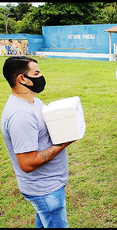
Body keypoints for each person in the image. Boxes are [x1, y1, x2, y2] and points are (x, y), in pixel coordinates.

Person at [1, 56, 75, 228]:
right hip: (44, 190)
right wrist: (62, 144)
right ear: (21, 78)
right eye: (36, 73)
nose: (40, 77)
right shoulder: (21, 115)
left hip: (48, 187)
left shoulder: (33, 102)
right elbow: (26, 163)